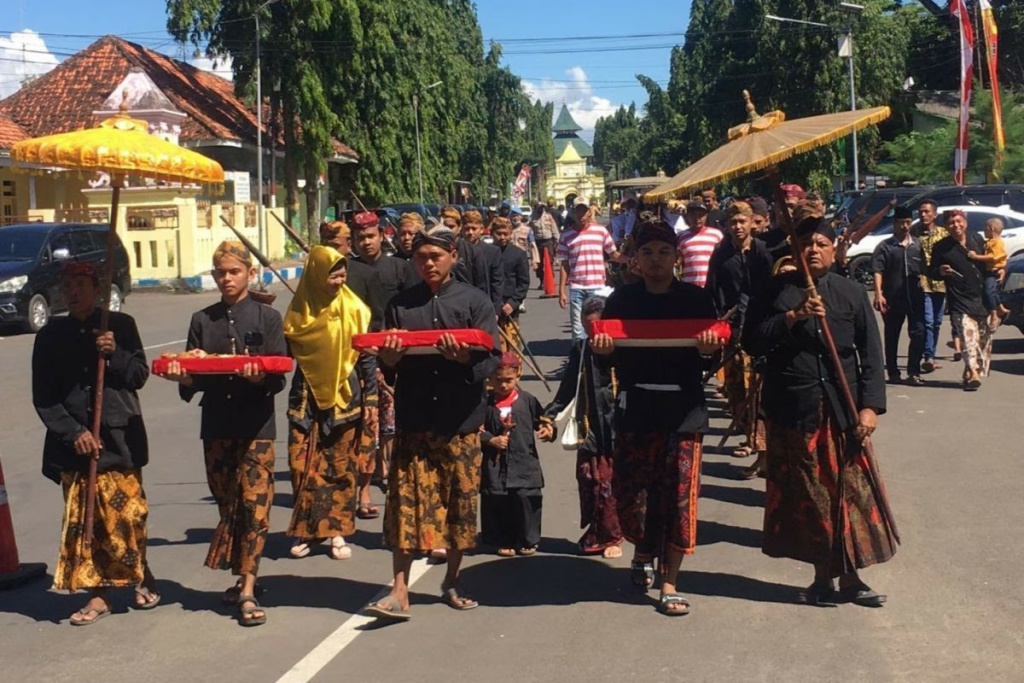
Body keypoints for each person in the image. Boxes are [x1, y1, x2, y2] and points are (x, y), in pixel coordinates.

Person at [744, 216, 896, 608]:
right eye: (806, 243)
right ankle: (821, 577)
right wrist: (793, 317)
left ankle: (852, 577)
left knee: (850, 495)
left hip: (843, 411)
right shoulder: (774, 292)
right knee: (811, 498)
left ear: (833, 249)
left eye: (821, 243)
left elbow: (871, 355)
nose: (813, 249)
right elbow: (752, 342)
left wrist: (870, 407)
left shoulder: (849, 292)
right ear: (794, 251)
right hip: (794, 410)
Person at [362, 228, 501, 621]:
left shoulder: (475, 302)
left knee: (459, 503)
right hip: (416, 418)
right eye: (421, 257)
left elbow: (492, 359)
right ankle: (399, 589)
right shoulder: (400, 306)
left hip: (460, 420)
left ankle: (452, 580)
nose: (428, 263)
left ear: (453, 256)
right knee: (404, 505)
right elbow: (391, 364)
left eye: (435, 256)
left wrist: (463, 361)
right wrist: (388, 357)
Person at [591, 220, 725, 617]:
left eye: (663, 252)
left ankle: (670, 582)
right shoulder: (621, 300)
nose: (655, 260)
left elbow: (714, 356)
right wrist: (602, 350)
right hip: (636, 411)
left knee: (678, 500)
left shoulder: (696, 300)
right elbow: (611, 358)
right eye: (647, 252)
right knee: (634, 498)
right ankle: (642, 551)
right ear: (635, 258)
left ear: (677, 257)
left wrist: (707, 349)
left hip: (684, 413)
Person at [158, 241, 287, 627]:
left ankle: (247, 589)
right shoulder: (202, 319)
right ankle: (244, 573)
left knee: (255, 506)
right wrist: (183, 375)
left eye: (234, 271)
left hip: (256, 428)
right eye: (221, 273)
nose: (227, 279)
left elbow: (279, 375)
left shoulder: (267, 318)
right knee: (227, 503)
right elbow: (191, 375)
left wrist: (260, 375)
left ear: (249, 273)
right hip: (216, 425)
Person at [33, 261, 158, 625]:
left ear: (97, 288)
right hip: (75, 448)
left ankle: (138, 572)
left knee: (129, 516)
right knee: (87, 523)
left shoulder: (120, 326)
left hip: (121, 441)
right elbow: (44, 396)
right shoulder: (50, 334)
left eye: (82, 284)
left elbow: (138, 375)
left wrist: (114, 353)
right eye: (68, 285)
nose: (74, 292)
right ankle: (98, 594)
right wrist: (74, 433)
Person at [284, 246, 375, 561]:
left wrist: (373, 398)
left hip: (344, 399)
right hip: (305, 401)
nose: (338, 280)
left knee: (338, 467)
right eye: (332, 274)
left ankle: (336, 531)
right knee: (301, 466)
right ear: (315, 275)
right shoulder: (298, 312)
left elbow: (365, 359)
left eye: (342, 273)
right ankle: (307, 530)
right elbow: (283, 357)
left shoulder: (355, 309)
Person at [544, 296, 624, 558]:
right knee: (589, 480)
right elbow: (567, 389)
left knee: (612, 483)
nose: (593, 334)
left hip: (619, 427)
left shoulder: (625, 347)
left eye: (597, 327)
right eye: (587, 328)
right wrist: (548, 418)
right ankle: (596, 531)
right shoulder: (581, 350)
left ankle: (614, 537)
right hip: (589, 427)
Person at [706, 201, 773, 477]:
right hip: (733, 331)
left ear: (752, 223)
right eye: (732, 222)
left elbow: (773, 289)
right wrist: (719, 321)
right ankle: (751, 440)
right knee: (736, 393)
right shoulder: (721, 255)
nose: (738, 227)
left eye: (742, 221)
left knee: (758, 393)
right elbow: (712, 291)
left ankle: (764, 453)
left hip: (761, 331)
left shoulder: (763, 252)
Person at [480, 352, 556, 556]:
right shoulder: (485, 404)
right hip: (495, 464)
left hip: (523, 459)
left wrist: (548, 430)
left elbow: (543, 420)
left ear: (518, 375)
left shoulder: (527, 401)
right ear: (489, 378)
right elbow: (473, 430)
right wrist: (490, 439)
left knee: (526, 497)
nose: (503, 385)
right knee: (497, 498)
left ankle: (527, 539)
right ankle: (501, 539)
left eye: (508, 380)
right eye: (498, 381)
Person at [930, 210, 990, 390]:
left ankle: (969, 368)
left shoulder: (977, 239)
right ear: (946, 227)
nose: (956, 226)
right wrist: (940, 270)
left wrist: (999, 270)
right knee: (967, 334)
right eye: (951, 223)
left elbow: (990, 261)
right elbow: (931, 271)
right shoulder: (941, 247)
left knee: (981, 339)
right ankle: (973, 373)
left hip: (981, 296)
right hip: (958, 298)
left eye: (958, 221)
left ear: (965, 222)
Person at [871, 206, 926, 385]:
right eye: (901, 223)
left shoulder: (917, 245)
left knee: (918, 333)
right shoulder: (885, 247)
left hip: (915, 298)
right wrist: (878, 294)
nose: (905, 226)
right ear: (894, 224)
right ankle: (893, 372)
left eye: (908, 222)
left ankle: (913, 371)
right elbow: (878, 270)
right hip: (892, 299)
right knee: (892, 335)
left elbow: (926, 268)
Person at [558, 202, 622, 342]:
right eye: (578, 212)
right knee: (577, 329)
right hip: (577, 287)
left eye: (584, 212)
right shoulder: (566, 236)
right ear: (572, 213)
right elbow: (564, 265)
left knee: (598, 326)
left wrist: (631, 260)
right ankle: (579, 359)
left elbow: (613, 254)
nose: (581, 216)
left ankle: (595, 358)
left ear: (589, 212)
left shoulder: (601, 231)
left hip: (597, 286)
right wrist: (561, 290)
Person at [914, 199, 947, 373]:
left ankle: (931, 354)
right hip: (923, 282)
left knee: (937, 322)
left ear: (934, 214)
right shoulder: (914, 233)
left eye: (927, 212)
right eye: (920, 211)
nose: (923, 214)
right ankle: (928, 356)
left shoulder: (943, 233)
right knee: (927, 320)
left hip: (941, 283)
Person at [491, 217, 531, 350]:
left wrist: (513, 303)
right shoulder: (485, 253)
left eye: (506, 234)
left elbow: (524, 282)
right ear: (492, 233)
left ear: (511, 234)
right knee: (496, 345)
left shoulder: (518, 254)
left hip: (510, 308)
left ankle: (515, 370)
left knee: (513, 346)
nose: (502, 237)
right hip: (491, 307)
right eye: (499, 233)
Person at [320, 220, 375, 306]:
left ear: (349, 245)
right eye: (325, 246)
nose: (330, 251)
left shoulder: (367, 275)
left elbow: (377, 317)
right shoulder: (316, 274)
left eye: (335, 246)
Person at [462, 209, 505, 316]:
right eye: (467, 229)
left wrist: (495, 310)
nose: (470, 232)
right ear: (462, 230)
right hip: (462, 306)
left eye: (474, 228)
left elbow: (497, 283)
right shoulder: (455, 252)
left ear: (481, 229)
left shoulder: (492, 252)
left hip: (484, 306)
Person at [969, 217, 1010, 328]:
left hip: (994, 271)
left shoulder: (997, 243)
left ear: (991, 228)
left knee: (989, 292)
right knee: (993, 291)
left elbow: (993, 257)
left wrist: (976, 257)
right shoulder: (989, 242)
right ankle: (1001, 308)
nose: (984, 231)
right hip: (988, 271)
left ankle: (994, 314)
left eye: (985, 228)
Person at [676, 200, 724, 288]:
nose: (697, 218)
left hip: (712, 285)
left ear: (706, 216)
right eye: (693, 215)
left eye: (700, 215)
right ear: (687, 216)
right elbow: (677, 261)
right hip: (689, 285)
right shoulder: (680, 237)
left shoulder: (716, 235)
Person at [531, 201, 561, 288]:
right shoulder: (532, 217)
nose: (541, 209)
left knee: (549, 261)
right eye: (539, 207)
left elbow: (554, 228)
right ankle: (541, 281)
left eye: (542, 207)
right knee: (539, 262)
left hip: (548, 241)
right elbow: (529, 230)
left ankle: (551, 280)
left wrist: (557, 240)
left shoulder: (548, 216)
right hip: (538, 241)